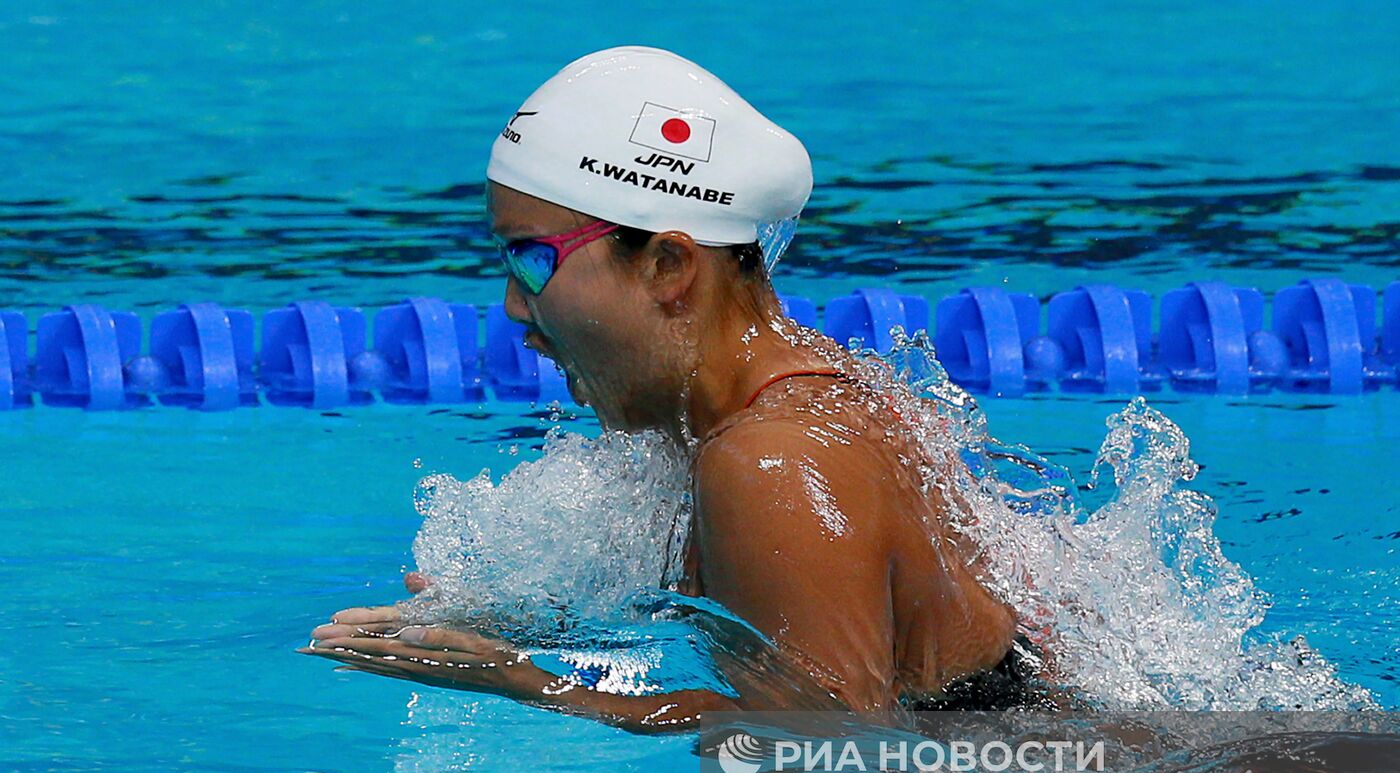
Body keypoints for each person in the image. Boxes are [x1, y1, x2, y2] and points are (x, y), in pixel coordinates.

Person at [301, 46, 1023, 732]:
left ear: (669, 266)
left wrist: (526, 682)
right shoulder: (769, 404)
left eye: (528, 260)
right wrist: (527, 622)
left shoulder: (773, 461)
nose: (516, 307)